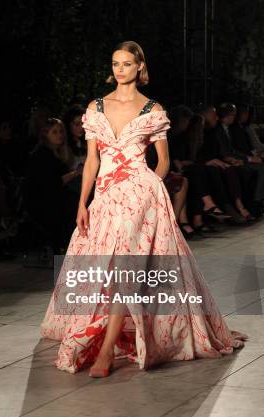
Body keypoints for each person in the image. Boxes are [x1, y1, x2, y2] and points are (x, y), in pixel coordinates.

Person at [40, 41, 246, 377]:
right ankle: (109, 335)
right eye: (115, 63)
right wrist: (82, 202)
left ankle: (106, 351)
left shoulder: (153, 110)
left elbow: (162, 162)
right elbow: (92, 161)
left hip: (139, 194)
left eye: (126, 64)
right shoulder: (96, 108)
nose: (120, 69)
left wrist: (148, 190)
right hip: (105, 196)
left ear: (139, 68)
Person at [24, 118, 80, 254]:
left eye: (61, 131)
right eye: (54, 132)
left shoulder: (56, 153)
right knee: (75, 205)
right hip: (42, 203)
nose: (59, 135)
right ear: (45, 134)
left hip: (53, 199)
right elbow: (52, 184)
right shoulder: (42, 154)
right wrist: (76, 173)